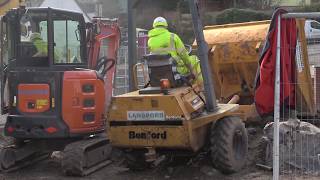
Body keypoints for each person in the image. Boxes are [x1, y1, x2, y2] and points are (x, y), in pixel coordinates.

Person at [148, 17, 203, 85]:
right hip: (175, 72)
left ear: (154, 26)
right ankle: (200, 86)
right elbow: (184, 55)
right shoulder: (173, 37)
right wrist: (190, 68)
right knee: (193, 59)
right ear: (166, 26)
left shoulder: (150, 41)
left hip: (157, 74)